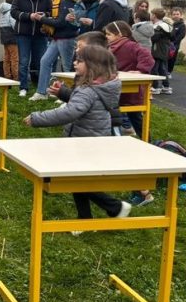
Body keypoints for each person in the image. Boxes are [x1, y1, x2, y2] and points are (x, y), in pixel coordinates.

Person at [25, 45, 132, 228]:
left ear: (93, 65)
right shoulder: (99, 87)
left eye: (79, 60)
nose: (74, 63)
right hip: (90, 140)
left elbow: (71, 112)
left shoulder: (88, 90)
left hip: (84, 142)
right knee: (77, 179)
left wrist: (37, 118)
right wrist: (63, 93)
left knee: (73, 180)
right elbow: (83, 104)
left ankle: (115, 207)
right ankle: (85, 219)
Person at [104, 21, 154, 138]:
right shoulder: (110, 47)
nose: (106, 36)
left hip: (131, 89)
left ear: (119, 34)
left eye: (109, 34)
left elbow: (147, 57)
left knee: (135, 117)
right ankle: (116, 138)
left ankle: (147, 140)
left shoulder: (131, 45)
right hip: (114, 88)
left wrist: (140, 70)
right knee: (113, 114)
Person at [30, 0, 79, 101]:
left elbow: (61, 22)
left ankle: (67, 96)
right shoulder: (58, 1)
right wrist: (47, 17)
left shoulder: (66, 1)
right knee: (45, 61)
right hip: (57, 37)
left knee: (67, 67)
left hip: (66, 38)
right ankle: (42, 92)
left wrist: (42, 19)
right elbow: (58, 19)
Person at [11, 0, 52, 97]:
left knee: (41, 61)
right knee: (24, 61)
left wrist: (44, 16)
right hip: (23, 33)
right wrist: (29, 16)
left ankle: (41, 87)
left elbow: (50, 12)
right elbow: (13, 12)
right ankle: (23, 87)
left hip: (40, 33)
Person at [150, 8, 173, 95]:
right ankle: (166, 86)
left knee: (154, 69)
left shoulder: (158, 27)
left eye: (151, 14)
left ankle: (155, 87)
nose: (150, 16)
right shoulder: (166, 26)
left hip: (157, 50)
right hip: (163, 50)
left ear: (154, 16)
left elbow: (153, 38)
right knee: (162, 69)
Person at [0, 0, 18, 80]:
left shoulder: (3, 12)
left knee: (6, 58)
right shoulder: (11, 11)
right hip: (12, 37)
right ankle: (16, 78)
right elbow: (14, 25)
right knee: (15, 59)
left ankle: (7, 76)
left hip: (4, 37)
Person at [168, 7, 186, 78]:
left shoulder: (182, 25)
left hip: (174, 46)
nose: (175, 16)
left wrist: (173, 43)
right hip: (166, 45)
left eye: (177, 14)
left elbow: (181, 36)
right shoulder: (169, 24)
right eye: (174, 14)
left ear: (181, 15)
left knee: (172, 59)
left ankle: (169, 72)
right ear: (171, 15)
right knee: (165, 59)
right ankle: (163, 71)